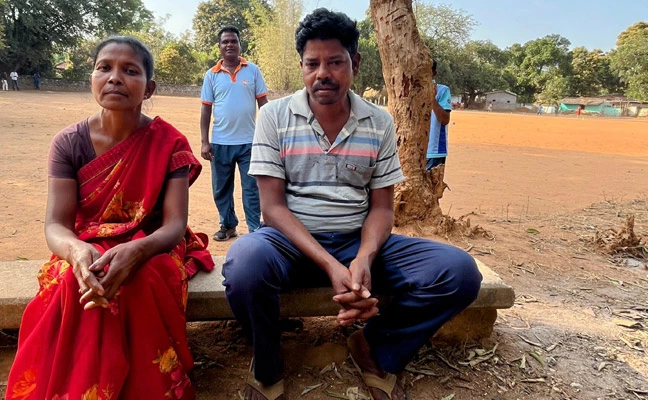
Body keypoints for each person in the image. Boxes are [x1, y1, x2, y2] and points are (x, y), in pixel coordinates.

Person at [222, 9, 482, 400]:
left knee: (459, 273)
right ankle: (269, 364)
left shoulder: (378, 121)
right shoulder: (274, 116)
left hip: (356, 239)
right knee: (243, 264)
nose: (322, 73)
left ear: (355, 64)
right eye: (312, 63)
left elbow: (381, 208)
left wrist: (362, 258)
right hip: (289, 242)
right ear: (302, 66)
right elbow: (272, 208)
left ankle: (374, 347)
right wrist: (329, 265)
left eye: (335, 62)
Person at [5, 36, 214, 400]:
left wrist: (137, 252)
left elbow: (174, 226)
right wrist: (75, 252)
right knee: (75, 281)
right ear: (92, 79)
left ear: (149, 88)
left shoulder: (170, 143)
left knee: (141, 280)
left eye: (129, 71)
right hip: (86, 244)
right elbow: (56, 225)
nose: (115, 78)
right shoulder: (68, 143)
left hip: (152, 247)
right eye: (105, 68)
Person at [200, 26, 269, 241]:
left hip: (250, 143)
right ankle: (228, 225)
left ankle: (254, 229)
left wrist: (269, 136)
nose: (229, 44)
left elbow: (264, 105)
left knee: (251, 189)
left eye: (233, 41)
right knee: (221, 189)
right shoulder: (211, 75)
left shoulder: (253, 70)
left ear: (240, 44)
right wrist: (205, 141)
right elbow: (206, 108)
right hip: (220, 143)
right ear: (219, 47)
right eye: (225, 42)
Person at [426, 60, 451, 170]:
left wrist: (432, 99)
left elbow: (445, 120)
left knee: (431, 184)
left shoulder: (442, 90)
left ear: (433, 73)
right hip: (412, 149)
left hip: (433, 150)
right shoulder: (409, 90)